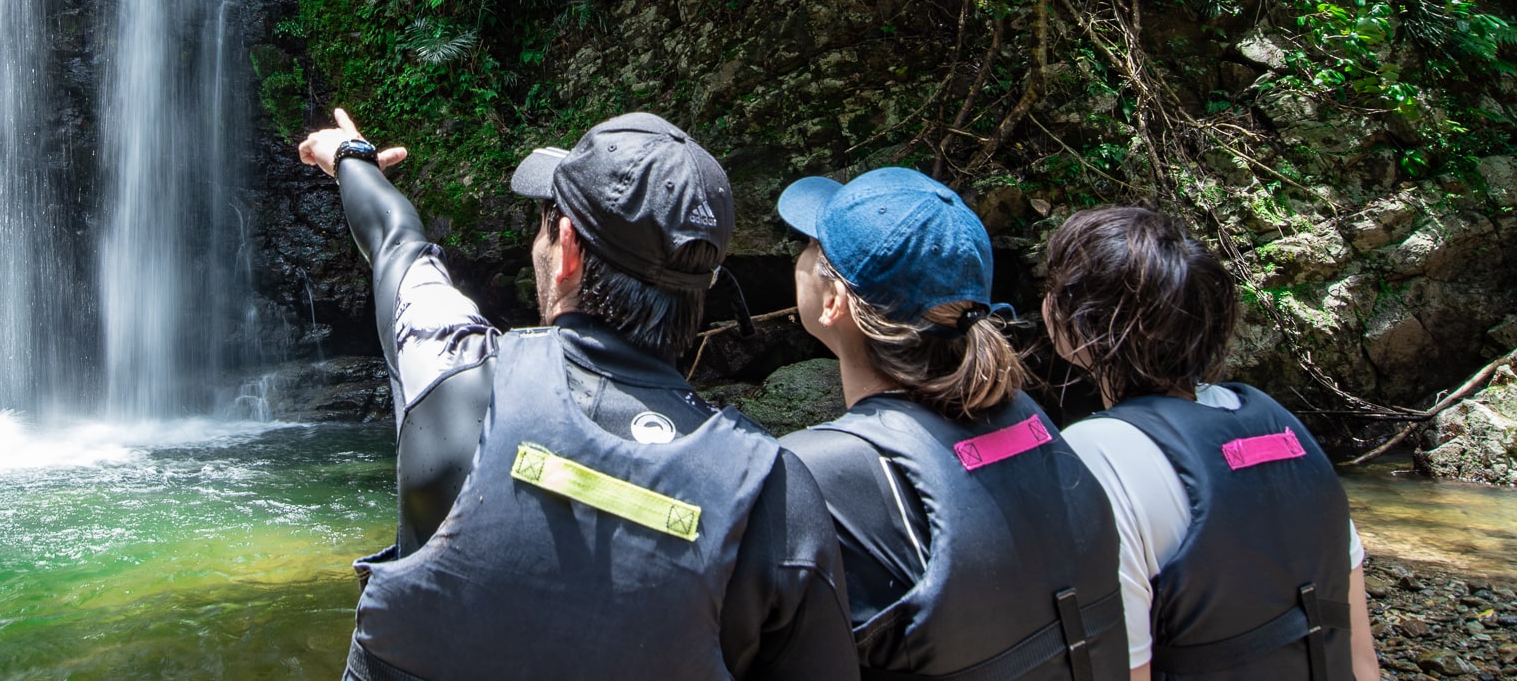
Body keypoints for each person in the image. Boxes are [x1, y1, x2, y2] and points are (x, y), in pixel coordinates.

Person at [297, 107, 856, 681]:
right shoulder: (777, 494)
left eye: (544, 223)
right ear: (706, 280)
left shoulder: (455, 371)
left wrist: (349, 157)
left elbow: (395, 240)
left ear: (566, 250)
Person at [775, 166, 1131, 681]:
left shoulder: (817, 473)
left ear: (835, 302)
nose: (799, 257)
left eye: (810, 245)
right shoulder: (1029, 420)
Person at [1040, 206, 1382, 681]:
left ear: (1080, 322)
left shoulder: (1096, 454)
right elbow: (1361, 659)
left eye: (1054, 287)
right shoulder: (1282, 427)